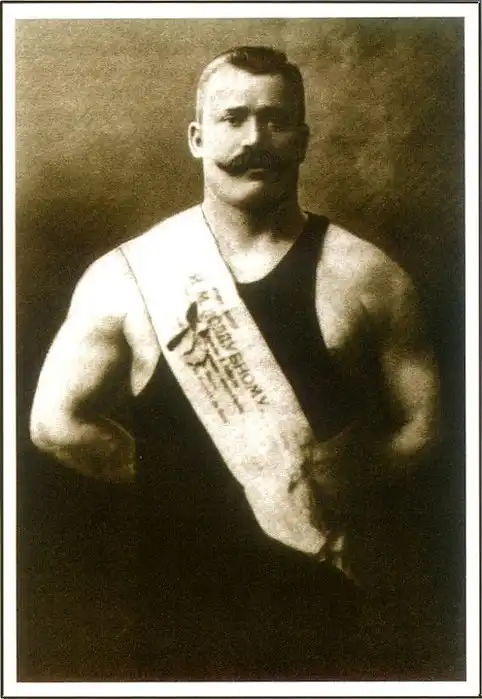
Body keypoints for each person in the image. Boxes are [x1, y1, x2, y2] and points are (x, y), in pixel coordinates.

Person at [30, 46, 439, 680]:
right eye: (234, 118)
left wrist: (348, 480)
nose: (256, 140)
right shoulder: (126, 276)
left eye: (276, 120)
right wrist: (177, 481)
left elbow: (426, 425)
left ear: (302, 140)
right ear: (197, 137)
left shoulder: (368, 275)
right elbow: (54, 423)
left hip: (324, 603)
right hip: (177, 609)